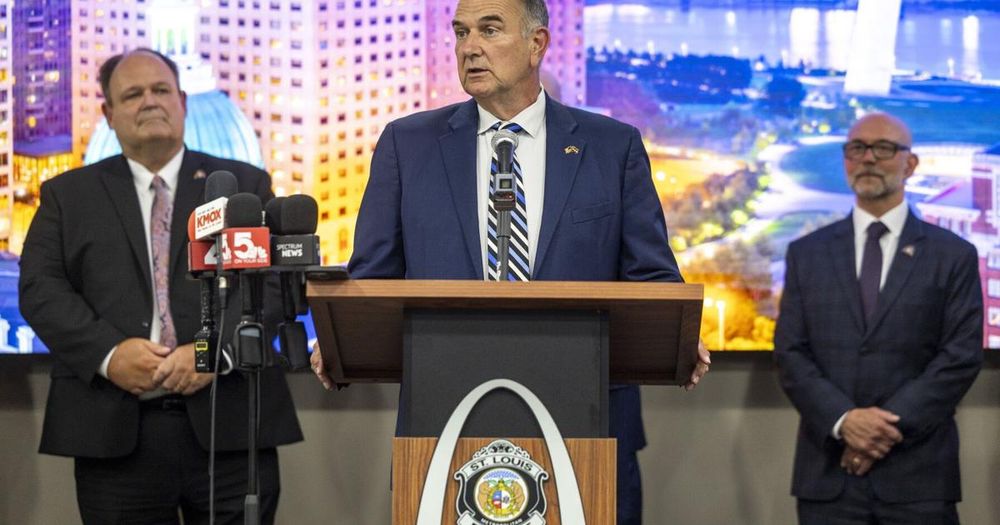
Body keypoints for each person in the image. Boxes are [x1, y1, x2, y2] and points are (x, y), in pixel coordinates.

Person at [309, 0, 710, 522]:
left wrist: (678, 334)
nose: (469, 47)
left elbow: (652, 277)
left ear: (536, 44)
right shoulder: (407, 145)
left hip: (587, 423)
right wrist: (341, 334)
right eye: (461, 32)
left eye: (490, 30)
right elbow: (372, 279)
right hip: (442, 422)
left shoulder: (612, 146)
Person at [19, 49, 302, 524]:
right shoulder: (68, 196)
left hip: (229, 424)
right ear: (109, 114)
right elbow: (39, 289)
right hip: (112, 432)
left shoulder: (242, 186)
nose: (149, 101)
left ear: (183, 102)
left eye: (160, 90)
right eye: (133, 94)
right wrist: (109, 354)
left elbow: (274, 281)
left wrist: (214, 353)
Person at [774, 113, 983, 524]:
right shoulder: (806, 254)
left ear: (910, 164)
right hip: (828, 476)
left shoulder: (953, 255)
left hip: (918, 478)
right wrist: (845, 421)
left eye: (883, 148)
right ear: (846, 161)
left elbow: (960, 356)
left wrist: (879, 431)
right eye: (857, 148)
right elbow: (790, 353)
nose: (868, 158)